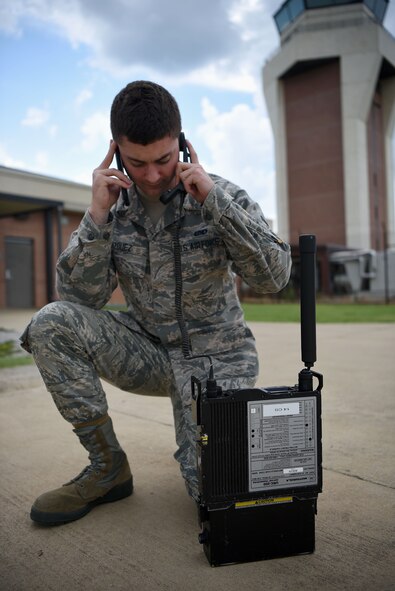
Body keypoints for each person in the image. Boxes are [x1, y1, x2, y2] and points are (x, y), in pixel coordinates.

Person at [21, 80, 291, 525]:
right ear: (114, 151)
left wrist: (215, 204)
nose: (150, 176)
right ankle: (108, 468)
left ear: (182, 145)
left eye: (163, 160)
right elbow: (79, 298)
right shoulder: (111, 206)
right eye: (136, 162)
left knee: (215, 491)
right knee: (53, 323)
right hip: (145, 350)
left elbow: (274, 277)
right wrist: (97, 218)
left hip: (216, 358)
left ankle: (203, 453)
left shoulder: (220, 195)